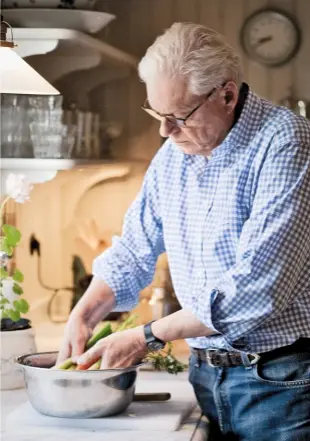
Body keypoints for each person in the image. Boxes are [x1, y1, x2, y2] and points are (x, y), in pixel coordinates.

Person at [57, 23, 310, 440]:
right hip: (207, 378)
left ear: (226, 95)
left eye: (177, 116)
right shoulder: (176, 153)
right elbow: (135, 249)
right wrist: (83, 314)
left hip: (278, 383)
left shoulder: (286, 142)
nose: (164, 131)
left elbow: (256, 291)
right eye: (156, 114)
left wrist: (147, 337)